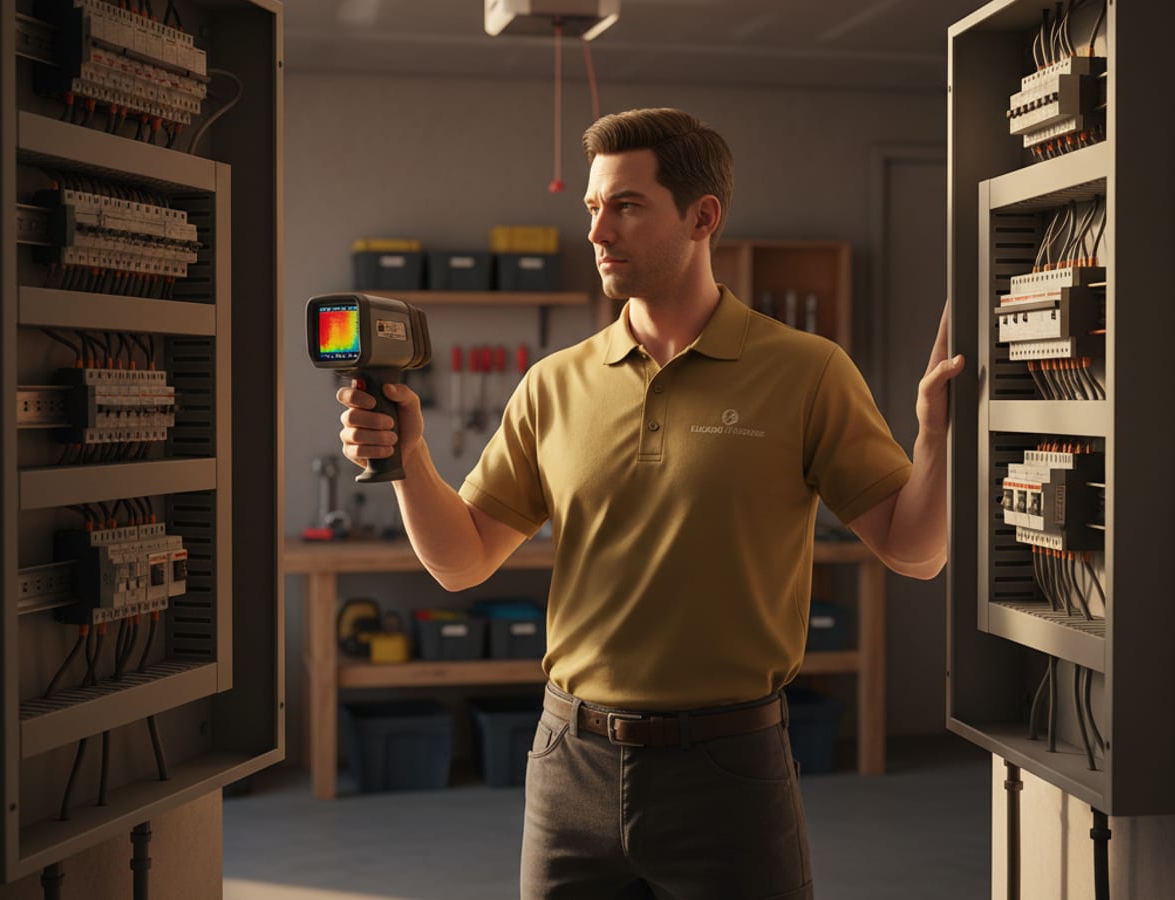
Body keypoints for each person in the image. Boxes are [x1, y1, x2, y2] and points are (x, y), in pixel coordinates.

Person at [337, 107, 964, 900]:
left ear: (703, 218)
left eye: (627, 206)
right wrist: (408, 459)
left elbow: (915, 551)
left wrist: (935, 438)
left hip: (729, 771)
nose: (599, 232)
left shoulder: (807, 370)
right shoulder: (554, 383)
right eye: (594, 208)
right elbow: (462, 561)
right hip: (570, 764)